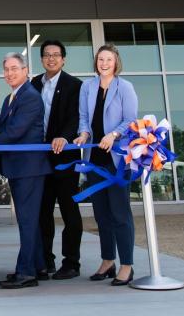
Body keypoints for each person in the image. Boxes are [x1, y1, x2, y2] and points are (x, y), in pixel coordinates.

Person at [0, 53, 51, 289]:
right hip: (19, 168)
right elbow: (3, 125)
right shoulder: (12, 98)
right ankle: (38, 266)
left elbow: (15, 131)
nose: (9, 73)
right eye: (6, 69)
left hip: (29, 168)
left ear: (25, 70)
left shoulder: (29, 97)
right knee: (30, 220)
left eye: (14, 69)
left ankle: (26, 272)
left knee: (27, 221)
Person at [73, 44, 138, 286]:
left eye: (108, 59)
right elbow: (83, 117)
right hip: (94, 159)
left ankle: (127, 265)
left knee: (120, 214)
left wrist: (113, 135)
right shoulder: (87, 87)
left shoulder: (125, 87)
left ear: (115, 62)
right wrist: (83, 133)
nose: (104, 63)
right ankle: (108, 260)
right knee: (101, 215)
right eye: (100, 59)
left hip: (117, 160)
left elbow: (131, 120)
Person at [32, 40, 83, 280]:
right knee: (43, 212)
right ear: (41, 59)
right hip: (40, 159)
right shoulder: (33, 83)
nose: (51, 59)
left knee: (69, 211)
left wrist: (65, 136)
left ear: (63, 59)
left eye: (55, 55)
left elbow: (77, 117)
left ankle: (71, 262)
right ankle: (45, 261)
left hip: (65, 158)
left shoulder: (74, 85)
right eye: (46, 55)